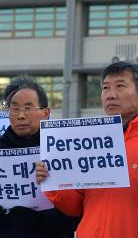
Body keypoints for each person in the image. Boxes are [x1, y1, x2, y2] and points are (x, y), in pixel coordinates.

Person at [36, 62, 138, 238]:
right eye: (105, 88)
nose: (110, 95)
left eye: (120, 86)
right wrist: (53, 181)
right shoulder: (86, 142)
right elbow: (75, 207)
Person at [0, 77, 79, 238]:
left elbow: (76, 211)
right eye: (14, 109)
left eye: (28, 108)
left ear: (46, 113)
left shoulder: (64, 151)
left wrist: (54, 186)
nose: (20, 115)